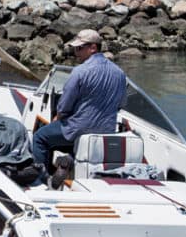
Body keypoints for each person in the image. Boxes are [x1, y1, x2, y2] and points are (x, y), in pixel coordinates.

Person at [31, 29, 126, 188]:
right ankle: (70, 159)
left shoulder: (80, 72)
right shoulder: (120, 73)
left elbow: (64, 105)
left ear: (93, 48)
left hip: (78, 128)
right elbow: (121, 104)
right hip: (107, 129)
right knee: (75, 137)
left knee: (40, 137)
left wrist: (59, 116)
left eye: (79, 48)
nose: (76, 52)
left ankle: (41, 180)